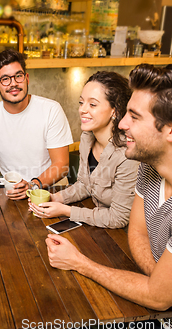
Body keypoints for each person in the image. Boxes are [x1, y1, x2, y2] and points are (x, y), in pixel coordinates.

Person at [46, 63, 172, 329]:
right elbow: (137, 232)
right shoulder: (151, 163)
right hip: (161, 304)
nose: (121, 124)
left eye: (134, 116)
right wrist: (167, 287)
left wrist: (79, 262)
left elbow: (157, 298)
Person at [29, 71, 139, 228]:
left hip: (125, 234)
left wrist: (66, 211)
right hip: (97, 223)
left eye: (92, 104)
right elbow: (85, 185)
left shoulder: (127, 154)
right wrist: (56, 198)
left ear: (115, 110)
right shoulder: (87, 137)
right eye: (81, 102)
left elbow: (118, 218)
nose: (82, 110)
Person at [0, 49, 74, 200]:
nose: (13, 83)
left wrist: (32, 185)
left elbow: (61, 165)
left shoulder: (50, 110)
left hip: (52, 191)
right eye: (5, 79)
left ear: (26, 78)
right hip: (12, 194)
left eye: (18, 76)